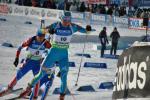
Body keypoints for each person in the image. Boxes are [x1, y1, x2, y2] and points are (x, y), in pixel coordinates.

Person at [18, 11, 92, 100]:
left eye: (68, 19)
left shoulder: (73, 26)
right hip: (52, 54)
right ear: (61, 18)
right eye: (65, 19)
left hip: (64, 55)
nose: (66, 21)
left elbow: (87, 32)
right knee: (41, 73)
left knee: (64, 76)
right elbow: (41, 30)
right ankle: (28, 88)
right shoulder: (56, 25)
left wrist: (88, 29)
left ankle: (62, 96)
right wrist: (49, 30)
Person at [0, 28, 51, 99]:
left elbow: (51, 49)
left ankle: (35, 97)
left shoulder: (45, 42)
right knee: (18, 75)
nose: (40, 39)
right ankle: (9, 88)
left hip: (37, 64)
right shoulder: (31, 40)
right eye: (39, 37)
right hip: (28, 62)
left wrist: (50, 41)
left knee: (37, 79)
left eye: (42, 37)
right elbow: (20, 47)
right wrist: (16, 58)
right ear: (36, 35)